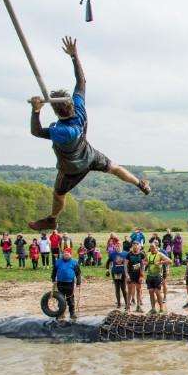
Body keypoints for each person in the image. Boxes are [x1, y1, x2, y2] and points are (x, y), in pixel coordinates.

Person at [28, 37, 149, 231]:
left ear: (57, 112)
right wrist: (74, 56)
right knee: (115, 167)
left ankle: (52, 219)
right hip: (89, 154)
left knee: (59, 195)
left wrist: (35, 111)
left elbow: (36, 132)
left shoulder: (63, 131)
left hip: (72, 167)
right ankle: (140, 184)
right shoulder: (79, 107)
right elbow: (81, 81)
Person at [51, 247, 81, 321]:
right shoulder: (58, 262)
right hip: (60, 282)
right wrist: (53, 278)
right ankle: (61, 314)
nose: (66, 255)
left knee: (70, 298)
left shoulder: (74, 262)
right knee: (61, 299)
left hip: (70, 283)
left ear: (70, 254)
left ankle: (72, 313)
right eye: (64, 254)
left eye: (67, 254)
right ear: (63, 254)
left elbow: (78, 273)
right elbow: (54, 271)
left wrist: (78, 282)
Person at [145, 242, 172, 315]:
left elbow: (170, 261)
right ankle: (153, 309)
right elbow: (143, 261)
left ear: (157, 247)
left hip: (157, 275)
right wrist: (145, 263)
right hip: (150, 275)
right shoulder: (148, 254)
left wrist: (161, 262)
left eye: (153, 247)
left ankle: (161, 309)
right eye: (150, 247)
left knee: (157, 292)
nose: (151, 248)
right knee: (151, 292)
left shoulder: (160, 254)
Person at [124, 241, 146, 313]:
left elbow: (143, 265)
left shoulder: (141, 254)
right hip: (131, 274)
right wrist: (126, 274)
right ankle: (127, 306)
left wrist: (142, 275)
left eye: (137, 245)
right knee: (129, 290)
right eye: (134, 245)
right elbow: (125, 264)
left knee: (139, 290)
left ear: (139, 246)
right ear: (132, 246)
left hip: (138, 274)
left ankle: (138, 306)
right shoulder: (129, 254)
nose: (135, 246)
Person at [108, 242, 128, 309]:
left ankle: (126, 303)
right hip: (115, 273)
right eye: (116, 246)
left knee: (124, 288)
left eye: (118, 246)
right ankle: (118, 303)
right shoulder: (113, 254)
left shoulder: (125, 253)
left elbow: (129, 262)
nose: (117, 247)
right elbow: (108, 262)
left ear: (121, 246)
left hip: (123, 273)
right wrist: (107, 270)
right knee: (117, 288)